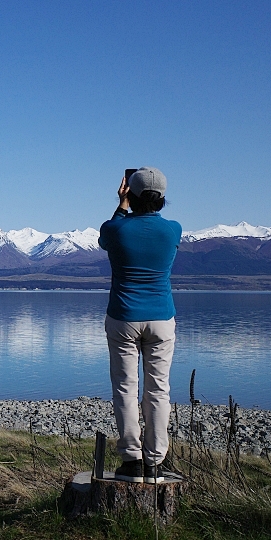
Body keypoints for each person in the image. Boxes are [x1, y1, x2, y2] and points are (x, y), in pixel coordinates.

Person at [99, 166, 182, 483]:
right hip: (161, 318)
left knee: (125, 388)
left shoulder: (116, 230)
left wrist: (121, 205)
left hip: (122, 317)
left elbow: (106, 236)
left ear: (129, 193)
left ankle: (131, 461)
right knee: (158, 390)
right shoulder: (173, 230)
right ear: (162, 199)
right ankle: (154, 463)